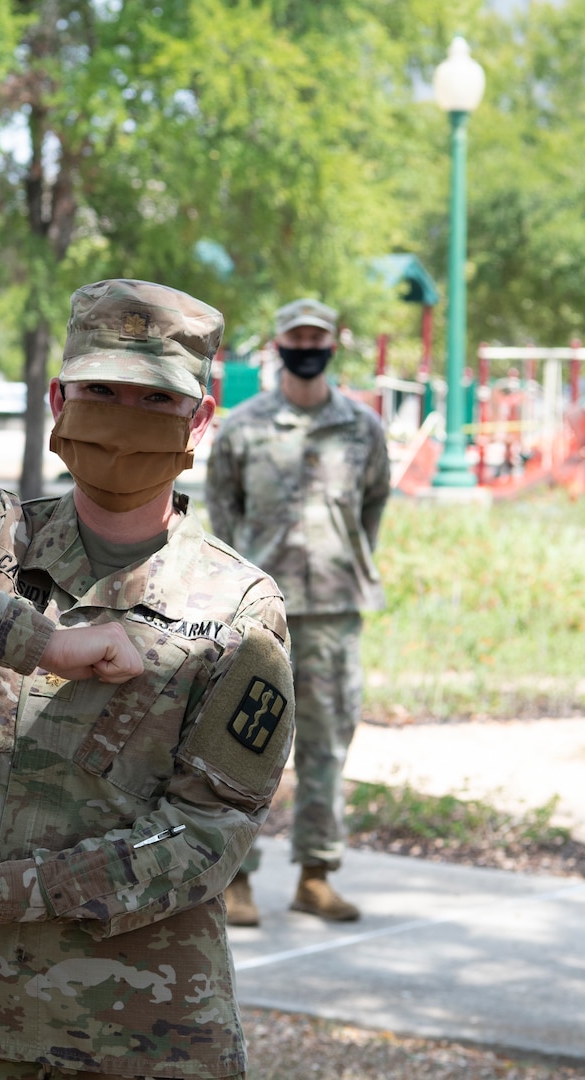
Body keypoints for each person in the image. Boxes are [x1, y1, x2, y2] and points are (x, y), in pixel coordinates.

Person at [0, 279, 294, 1079]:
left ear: (200, 419)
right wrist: (34, 637)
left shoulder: (241, 608)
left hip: (130, 1034)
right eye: (101, 391)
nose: (123, 416)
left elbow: (207, 840)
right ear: (58, 400)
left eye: (154, 399)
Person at [204, 297, 390, 926]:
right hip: (261, 612)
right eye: (295, 335)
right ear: (279, 343)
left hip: (335, 610)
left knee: (328, 745)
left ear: (333, 343)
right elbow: (222, 513)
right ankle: (237, 882)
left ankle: (316, 874)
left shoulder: (362, 428)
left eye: (317, 336)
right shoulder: (246, 426)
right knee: (240, 744)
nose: (306, 345)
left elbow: (373, 506)